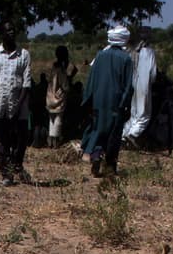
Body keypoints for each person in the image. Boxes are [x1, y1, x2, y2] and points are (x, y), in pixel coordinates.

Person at [0, 20, 33, 186]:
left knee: (21, 139)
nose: (11, 32)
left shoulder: (24, 55)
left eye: (13, 29)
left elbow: (26, 84)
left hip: (20, 108)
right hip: (0, 107)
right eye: (8, 30)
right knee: (2, 142)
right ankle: (6, 174)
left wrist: (18, 106)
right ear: (1, 34)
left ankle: (17, 164)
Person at [81, 25, 134, 177]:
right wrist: (125, 105)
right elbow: (128, 86)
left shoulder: (100, 56)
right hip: (116, 103)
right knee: (114, 134)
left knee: (98, 130)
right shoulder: (126, 59)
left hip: (98, 100)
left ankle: (96, 156)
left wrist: (88, 100)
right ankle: (110, 166)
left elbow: (91, 80)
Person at [122, 29, 156, 147]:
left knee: (134, 114)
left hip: (133, 85)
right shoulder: (149, 52)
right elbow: (153, 74)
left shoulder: (133, 51)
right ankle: (133, 134)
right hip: (144, 86)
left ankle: (123, 135)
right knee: (144, 114)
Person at [45, 45, 78, 148]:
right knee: (58, 119)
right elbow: (65, 86)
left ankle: (50, 141)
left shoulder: (53, 67)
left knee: (51, 119)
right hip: (58, 98)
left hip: (49, 96)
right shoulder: (61, 70)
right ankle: (56, 141)